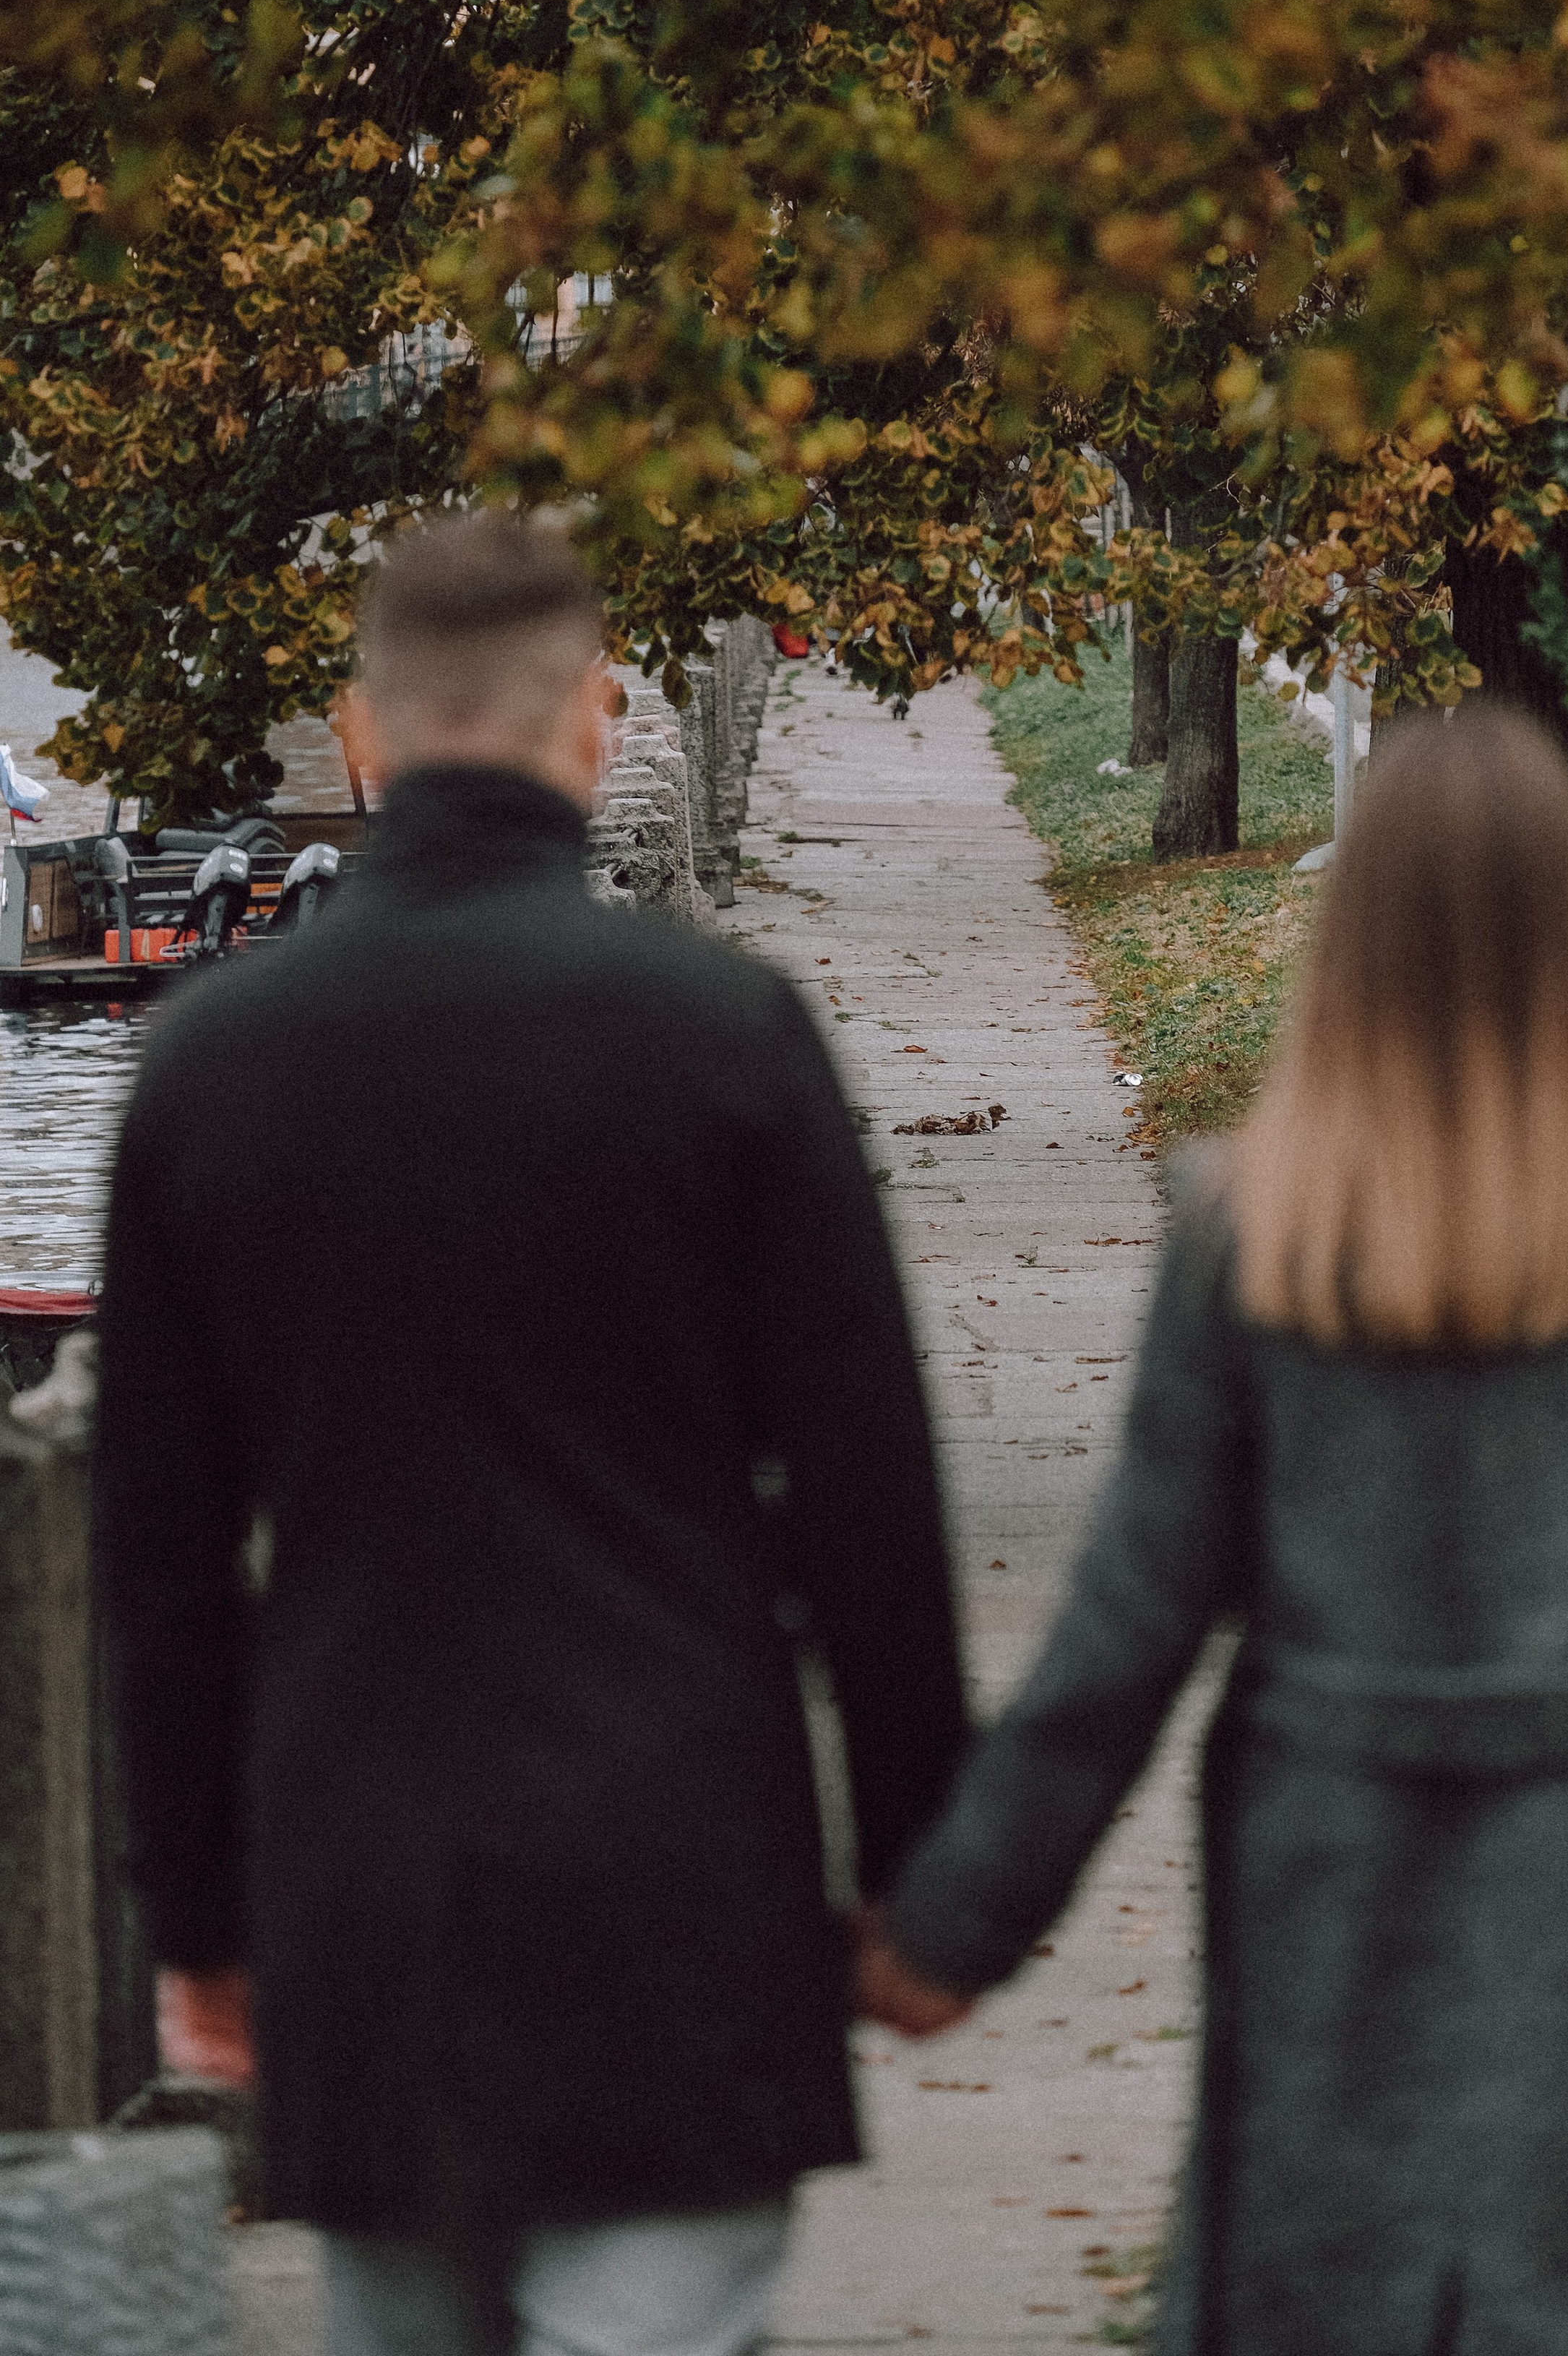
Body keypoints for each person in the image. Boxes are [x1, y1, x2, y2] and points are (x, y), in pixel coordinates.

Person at [857, 704, 1568, 2356]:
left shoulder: (1251, 1229)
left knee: (1331, 2287)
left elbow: (1124, 1628)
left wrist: (952, 1924)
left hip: (1332, 1883)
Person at [93, 515, 968, 2356]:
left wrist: (197, 1915)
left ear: (361, 735)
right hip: (678, 1855)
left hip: (360, 1869)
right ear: (593, 717)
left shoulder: (216, 1064)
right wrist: (917, 1860)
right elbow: (868, 1495)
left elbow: (160, 1554)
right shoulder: (722, 1035)